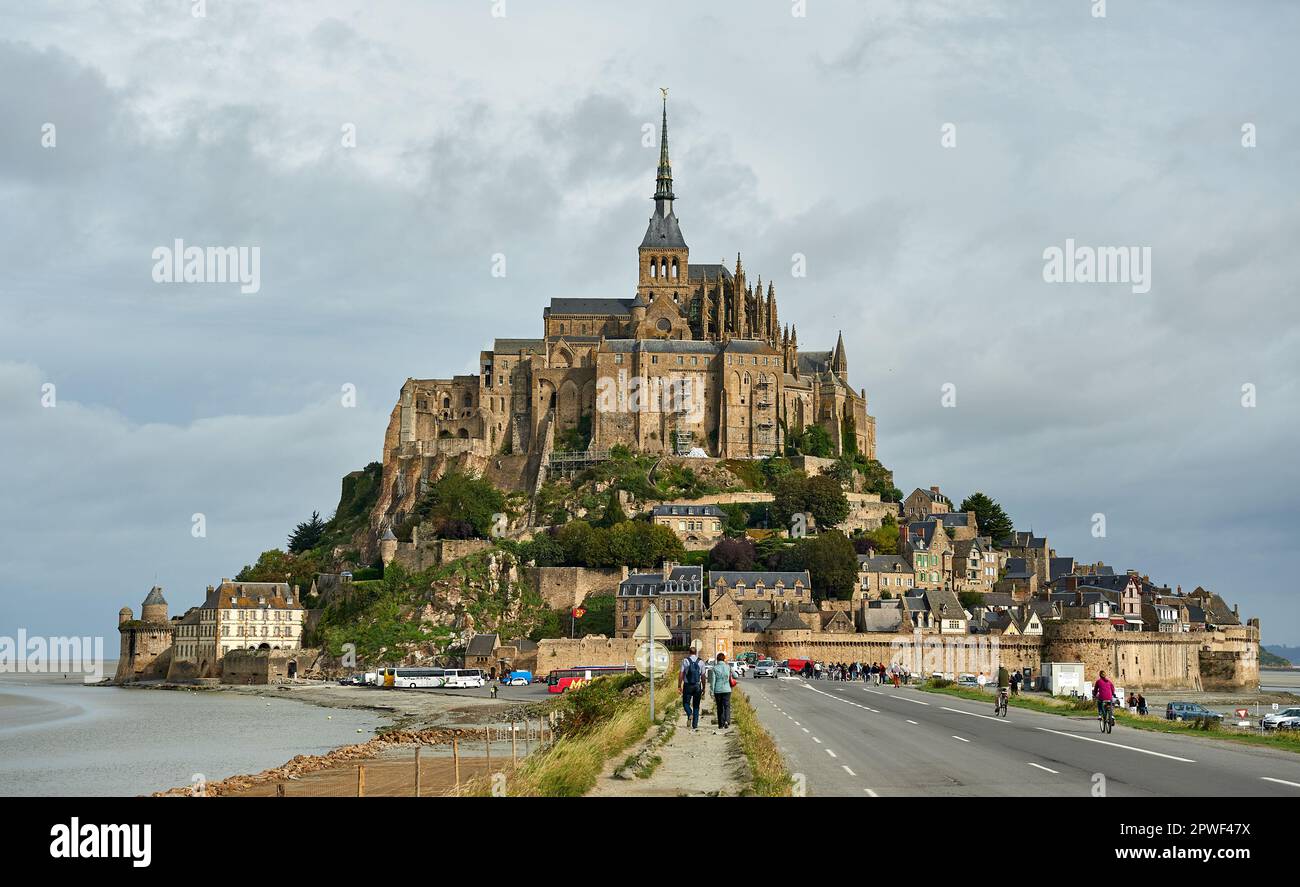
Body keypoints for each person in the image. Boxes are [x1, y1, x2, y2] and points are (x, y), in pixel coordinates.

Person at [678, 645, 706, 731]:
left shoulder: (685, 661)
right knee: (696, 706)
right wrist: (704, 687)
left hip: (687, 685)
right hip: (697, 686)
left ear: (689, 652)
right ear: (696, 652)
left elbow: (681, 674)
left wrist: (679, 685)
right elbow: (703, 676)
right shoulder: (701, 662)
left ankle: (689, 713)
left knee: (686, 703)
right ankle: (695, 725)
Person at [710, 653, 733, 732]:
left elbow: (713, 681)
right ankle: (727, 720)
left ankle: (721, 724)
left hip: (718, 690)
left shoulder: (715, 668)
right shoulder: (728, 667)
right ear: (724, 659)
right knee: (727, 706)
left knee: (719, 707)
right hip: (727, 689)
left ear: (717, 659)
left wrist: (711, 691)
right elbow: (735, 675)